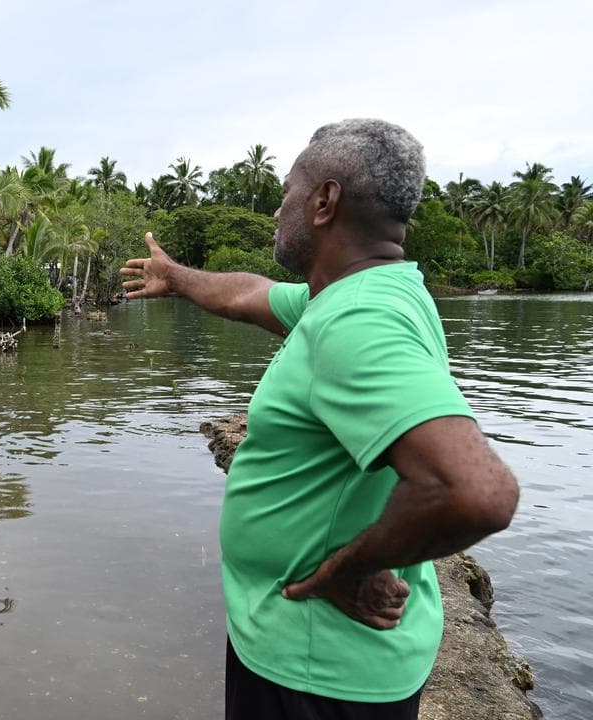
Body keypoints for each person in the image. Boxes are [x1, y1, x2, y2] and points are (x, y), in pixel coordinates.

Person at [119, 119, 519, 719]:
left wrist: (348, 572)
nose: (278, 210)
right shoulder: (361, 294)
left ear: (325, 201)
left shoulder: (357, 321)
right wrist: (174, 277)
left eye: (286, 192)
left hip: (316, 671)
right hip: (320, 659)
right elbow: (247, 295)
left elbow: (478, 491)